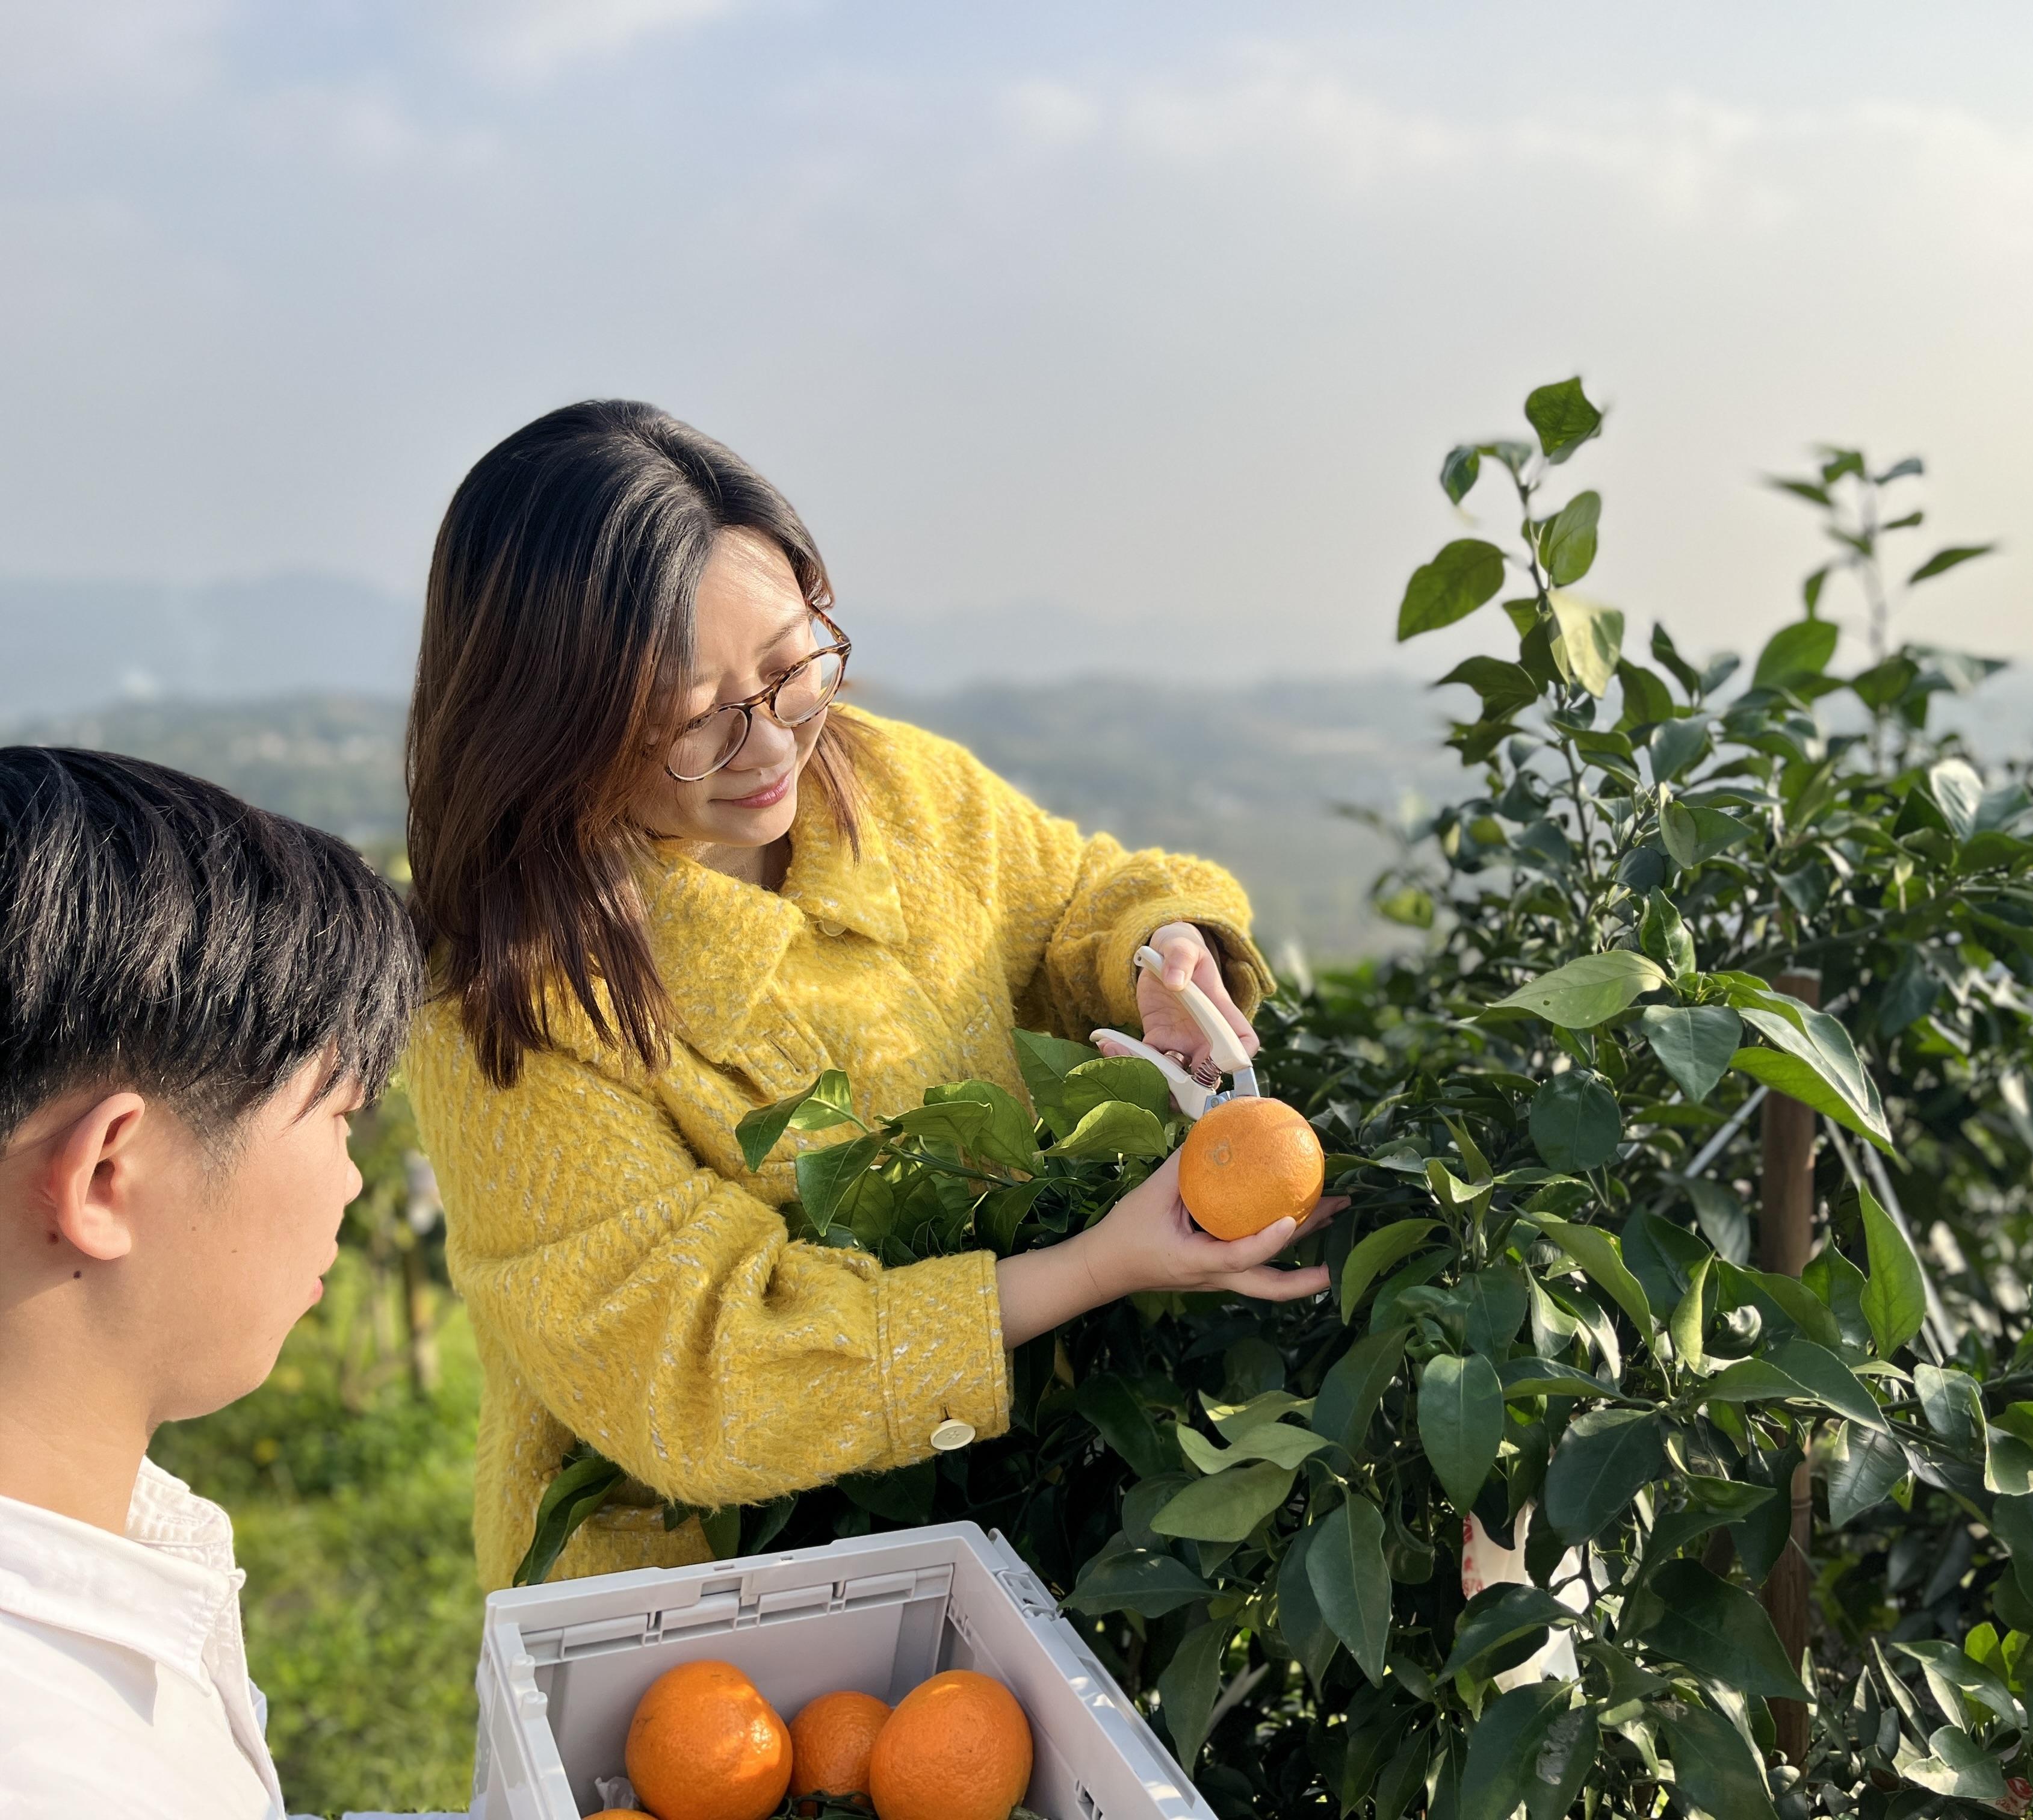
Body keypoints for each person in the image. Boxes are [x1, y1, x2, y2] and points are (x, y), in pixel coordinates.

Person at [406, 401, 1338, 1591]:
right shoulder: (512, 1013)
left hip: (1015, 1516)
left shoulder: (891, 786)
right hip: (697, 1603)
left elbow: (1071, 896)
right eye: (695, 721)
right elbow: (700, 1371)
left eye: (795, 668)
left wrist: (1161, 949)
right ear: (549, 725)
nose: (773, 748)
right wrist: (1096, 1268)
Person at [0, 748, 421, 1819]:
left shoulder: (103, 1544)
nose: (353, 1177)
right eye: (338, 1118)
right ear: (105, 1177)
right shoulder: (62, 1771)